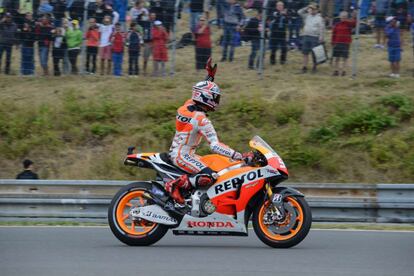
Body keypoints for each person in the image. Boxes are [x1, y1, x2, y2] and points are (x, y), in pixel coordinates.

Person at [165, 58, 252, 204]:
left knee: (218, 167)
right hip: (182, 156)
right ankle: (175, 185)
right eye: (215, 97)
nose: (216, 101)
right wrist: (239, 156)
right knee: (210, 176)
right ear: (206, 97)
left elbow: (199, 92)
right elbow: (215, 145)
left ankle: (193, 197)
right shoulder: (201, 120)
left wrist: (210, 77)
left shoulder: (187, 106)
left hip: (182, 152)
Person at [298, 2, 325, 73]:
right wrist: (307, 8)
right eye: (311, 9)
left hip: (315, 37)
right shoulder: (307, 15)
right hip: (306, 36)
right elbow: (299, 12)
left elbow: (321, 28)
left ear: (317, 10)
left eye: (314, 9)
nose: (312, 10)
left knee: (314, 53)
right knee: (305, 53)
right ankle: (304, 67)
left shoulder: (319, 18)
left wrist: (321, 37)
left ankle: (314, 67)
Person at [331, 11, 356, 76]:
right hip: (337, 43)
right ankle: (336, 70)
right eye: (342, 17)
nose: (343, 18)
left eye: (345, 17)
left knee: (345, 57)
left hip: (345, 43)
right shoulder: (337, 25)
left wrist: (353, 17)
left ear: (347, 17)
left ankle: (343, 71)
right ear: (340, 17)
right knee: (337, 57)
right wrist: (333, 42)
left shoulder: (348, 24)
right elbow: (334, 34)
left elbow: (354, 24)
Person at [269, 1, 288, 65]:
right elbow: (274, 19)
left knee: (284, 48)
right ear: (276, 6)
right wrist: (281, 14)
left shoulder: (285, 13)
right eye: (279, 6)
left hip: (282, 33)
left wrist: (285, 15)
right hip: (274, 33)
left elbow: (287, 22)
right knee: (274, 48)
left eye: (282, 6)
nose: (280, 7)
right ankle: (272, 61)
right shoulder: (274, 12)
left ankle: (283, 60)